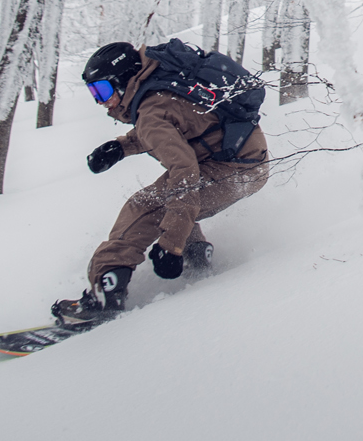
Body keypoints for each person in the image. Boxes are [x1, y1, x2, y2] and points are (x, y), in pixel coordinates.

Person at [52, 40, 271, 326]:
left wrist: (171, 244)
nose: (100, 101)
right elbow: (179, 121)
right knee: (171, 198)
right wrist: (122, 146)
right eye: (93, 93)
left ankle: (106, 291)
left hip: (231, 169)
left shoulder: (150, 112)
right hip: (244, 159)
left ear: (123, 81)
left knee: (143, 207)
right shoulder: (161, 81)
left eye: (103, 90)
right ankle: (197, 255)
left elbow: (183, 172)